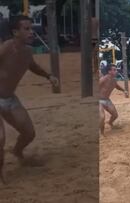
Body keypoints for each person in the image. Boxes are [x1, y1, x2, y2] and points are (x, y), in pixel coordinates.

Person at [0, 15, 59, 184]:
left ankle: (17, 152)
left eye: (31, 28)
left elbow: (32, 66)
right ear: (15, 32)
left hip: (10, 98)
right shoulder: (6, 48)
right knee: (0, 139)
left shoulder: (27, 51)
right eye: (26, 29)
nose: (31, 32)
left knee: (29, 133)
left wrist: (49, 76)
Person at [99, 64, 128, 135]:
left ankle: (110, 123)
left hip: (107, 100)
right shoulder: (104, 79)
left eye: (116, 70)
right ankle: (102, 132)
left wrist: (124, 90)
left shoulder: (114, 80)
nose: (116, 71)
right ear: (109, 71)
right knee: (102, 117)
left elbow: (117, 86)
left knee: (115, 115)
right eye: (114, 70)